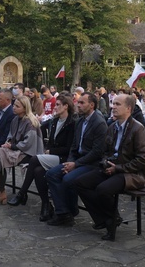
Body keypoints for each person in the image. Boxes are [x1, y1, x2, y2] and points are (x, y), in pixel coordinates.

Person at [75, 93, 145, 241]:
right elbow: (105, 152)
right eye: (113, 104)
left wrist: (118, 168)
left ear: (128, 108)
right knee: (80, 183)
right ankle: (105, 219)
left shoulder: (138, 129)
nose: (113, 107)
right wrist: (106, 162)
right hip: (112, 168)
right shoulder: (113, 127)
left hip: (131, 174)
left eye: (117, 104)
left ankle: (111, 221)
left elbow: (142, 160)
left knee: (103, 189)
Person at [8, 94, 76, 220]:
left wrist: (50, 151)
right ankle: (46, 204)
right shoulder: (55, 121)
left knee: (34, 159)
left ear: (66, 106)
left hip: (63, 158)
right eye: (55, 104)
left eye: (58, 105)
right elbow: (49, 141)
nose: (55, 107)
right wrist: (47, 150)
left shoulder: (72, 123)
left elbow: (69, 147)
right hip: (51, 156)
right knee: (37, 171)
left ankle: (22, 193)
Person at [45, 92, 107, 226]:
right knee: (51, 174)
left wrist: (76, 164)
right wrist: (71, 161)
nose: (78, 105)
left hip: (91, 163)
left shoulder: (99, 123)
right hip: (77, 160)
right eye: (78, 102)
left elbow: (97, 152)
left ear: (92, 105)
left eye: (82, 103)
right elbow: (74, 146)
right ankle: (63, 212)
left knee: (68, 179)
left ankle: (71, 211)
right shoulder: (79, 121)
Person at [0, 95, 43, 205]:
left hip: (28, 153)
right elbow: (10, 135)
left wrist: (11, 146)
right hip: (15, 149)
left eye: (17, 106)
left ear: (24, 108)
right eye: (14, 105)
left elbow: (28, 143)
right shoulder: (15, 119)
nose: (14, 108)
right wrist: (8, 143)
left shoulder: (31, 122)